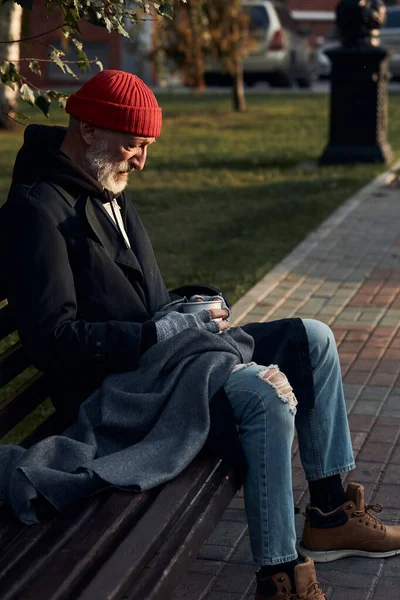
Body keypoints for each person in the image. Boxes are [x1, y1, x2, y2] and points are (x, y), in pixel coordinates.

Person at [1, 70, 400, 600]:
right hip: (126, 392)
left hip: (167, 364)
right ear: (89, 130)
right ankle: (278, 573)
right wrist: (157, 333)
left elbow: (146, 304)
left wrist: (194, 307)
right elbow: (54, 341)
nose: (141, 160)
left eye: (145, 146)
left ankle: (329, 512)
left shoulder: (104, 187)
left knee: (314, 339)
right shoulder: (39, 210)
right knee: (265, 395)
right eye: (134, 144)